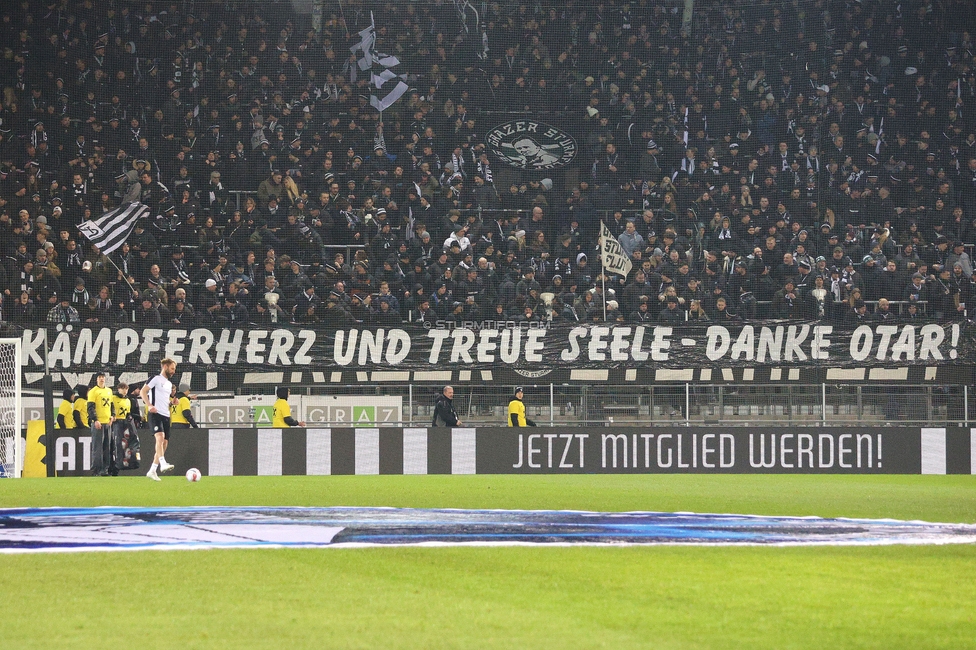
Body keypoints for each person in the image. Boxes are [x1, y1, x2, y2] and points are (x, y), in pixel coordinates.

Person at [141, 358, 178, 481]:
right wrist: (149, 405)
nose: (173, 371)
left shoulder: (168, 384)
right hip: (155, 413)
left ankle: (152, 470)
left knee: (165, 443)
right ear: (165, 366)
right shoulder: (155, 378)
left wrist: (172, 402)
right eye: (172, 368)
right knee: (160, 437)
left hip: (166, 415)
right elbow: (143, 391)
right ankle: (163, 463)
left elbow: (164, 400)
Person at [86, 372, 116, 477]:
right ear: (96, 379)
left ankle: (105, 470)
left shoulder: (109, 391)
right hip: (98, 423)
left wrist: (113, 415)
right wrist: (95, 419)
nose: (102, 379)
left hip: (107, 422)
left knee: (107, 448)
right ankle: (96, 470)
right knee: (97, 448)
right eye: (100, 377)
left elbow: (111, 405)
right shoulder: (93, 392)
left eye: (103, 377)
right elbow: (90, 407)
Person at [112, 381, 141, 472]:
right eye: (122, 389)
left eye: (126, 389)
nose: (124, 391)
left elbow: (128, 412)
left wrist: (129, 419)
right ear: (118, 389)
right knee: (117, 443)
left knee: (130, 441)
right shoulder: (113, 398)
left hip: (125, 422)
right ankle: (117, 463)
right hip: (116, 422)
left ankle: (132, 461)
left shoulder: (128, 400)